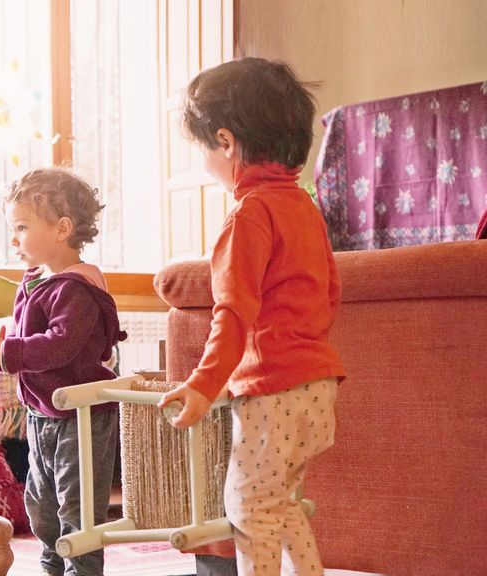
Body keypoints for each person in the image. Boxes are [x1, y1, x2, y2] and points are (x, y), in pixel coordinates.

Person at [158, 58, 346, 576]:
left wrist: (202, 384)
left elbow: (234, 311)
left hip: (275, 392)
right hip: (320, 384)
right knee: (279, 503)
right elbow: (330, 291)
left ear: (225, 141)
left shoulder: (249, 214)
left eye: (201, 147)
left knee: (248, 507)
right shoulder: (303, 207)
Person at [0, 167, 126, 576]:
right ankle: (51, 565)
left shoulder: (76, 287)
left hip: (82, 416)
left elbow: (60, 345)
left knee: (78, 506)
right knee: (41, 503)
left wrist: (8, 353)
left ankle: (80, 569)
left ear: (62, 229)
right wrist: (5, 343)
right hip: (44, 414)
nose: (13, 239)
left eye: (21, 227)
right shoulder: (37, 279)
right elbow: (31, 332)